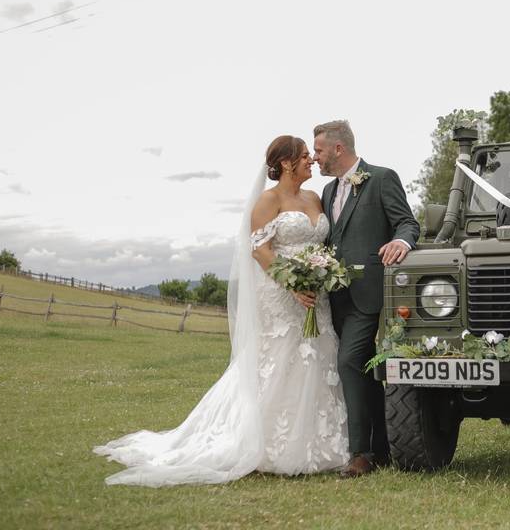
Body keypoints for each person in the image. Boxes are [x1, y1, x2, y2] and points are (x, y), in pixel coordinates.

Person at [93, 136, 349, 486]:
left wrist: (318, 276)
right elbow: (259, 250)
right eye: (305, 156)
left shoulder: (314, 197)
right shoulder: (267, 200)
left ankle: (323, 442)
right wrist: (292, 284)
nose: (310, 161)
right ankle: (271, 445)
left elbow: (321, 243)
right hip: (280, 294)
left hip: (315, 297)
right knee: (281, 359)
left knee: (318, 355)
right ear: (287, 162)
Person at [312, 120, 419, 478]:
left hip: (369, 292)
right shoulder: (327, 191)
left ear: (338, 149)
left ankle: (360, 454)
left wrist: (400, 242)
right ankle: (385, 448)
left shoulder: (382, 178)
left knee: (350, 362)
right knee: (366, 372)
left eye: (320, 151)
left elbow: (407, 223)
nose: (316, 158)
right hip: (335, 298)